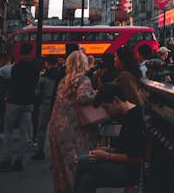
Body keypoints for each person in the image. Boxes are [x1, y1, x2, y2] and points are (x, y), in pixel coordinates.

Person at [73, 83, 144, 193]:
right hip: (124, 167)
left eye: (107, 107)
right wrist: (107, 150)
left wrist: (107, 156)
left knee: (83, 161)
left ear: (116, 100)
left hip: (130, 171)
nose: (107, 112)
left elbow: (136, 157)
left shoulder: (135, 117)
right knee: (88, 179)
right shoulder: (128, 115)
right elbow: (126, 148)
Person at [49, 51, 96, 193]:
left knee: (60, 166)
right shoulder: (83, 80)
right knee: (75, 164)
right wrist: (96, 94)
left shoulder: (64, 80)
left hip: (57, 126)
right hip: (73, 128)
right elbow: (82, 97)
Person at [0, 43, 40, 172]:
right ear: (31, 52)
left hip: (14, 101)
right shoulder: (35, 68)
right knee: (24, 132)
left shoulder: (16, 67)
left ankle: (6, 158)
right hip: (28, 102)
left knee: (8, 131)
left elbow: (12, 84)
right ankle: (19, 160)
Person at [32, 55, 62, 160]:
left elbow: (37, 93)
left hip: (45, 104)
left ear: (47, 63)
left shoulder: (43, 77)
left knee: (42, 129)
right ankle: (58, 152)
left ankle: (40, 151)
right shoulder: (61, 76)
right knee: (58, 129)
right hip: (57, 105)